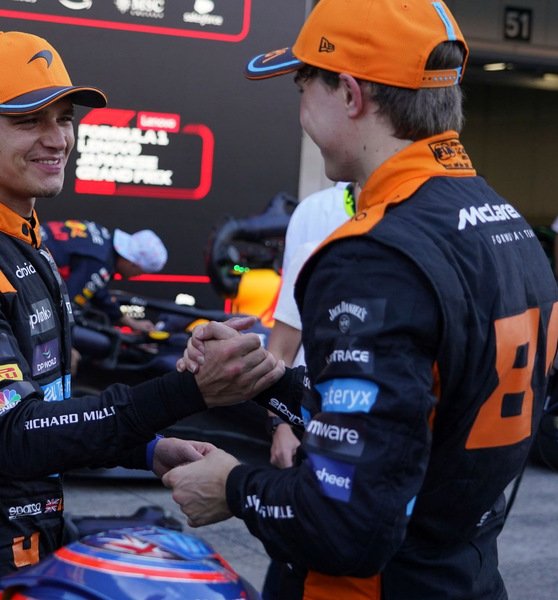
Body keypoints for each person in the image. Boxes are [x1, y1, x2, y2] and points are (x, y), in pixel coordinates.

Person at [165, 1, 558, 598]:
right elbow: (416, 420)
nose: (301, 110)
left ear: (349, 94)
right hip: (464, 572)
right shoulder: (507, 226)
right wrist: (267, 379)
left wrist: (233, 487)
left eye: (302, 85)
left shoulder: (374, 255)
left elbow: (347, 525)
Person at [0, 31, 285, 599]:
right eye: (28, 121)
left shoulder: (25, 239)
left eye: (64, 118)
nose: (57, 139)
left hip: (33, 537)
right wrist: (190, 390)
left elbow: (51, 410)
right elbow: (17, 433)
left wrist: (149, 448)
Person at [261, 181, 357, 600]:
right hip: (308, 426)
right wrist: (280, 426)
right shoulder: (313, 237)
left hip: (377, 441)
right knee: (292, 557)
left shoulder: (424, 239)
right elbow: (280, 351)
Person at [41, 220, 166, 332]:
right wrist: (69, 347)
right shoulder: (99, 263)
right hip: (31, 268)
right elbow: (67, 307)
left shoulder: (101, 233)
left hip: (33, 245)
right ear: (132, 264)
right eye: (140, 272)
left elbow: (98, 292)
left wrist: (131, 322)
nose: (135, 276)